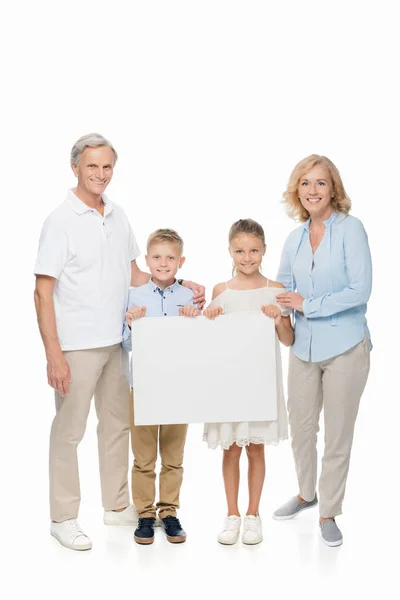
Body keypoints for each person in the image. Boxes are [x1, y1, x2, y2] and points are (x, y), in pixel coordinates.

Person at [34, 134, 205, 551]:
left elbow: (136, 276)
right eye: (92, 166)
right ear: (75, 167)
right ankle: (64, 517)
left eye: (107, 166)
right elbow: (42, 290)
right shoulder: (60, 220)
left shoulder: (118, 214)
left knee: (117, 427)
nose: (100, 174)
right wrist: (53, 353)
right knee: (69, 432)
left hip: (118, 342)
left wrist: (182, 285)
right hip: (76, 343)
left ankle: (115, 506)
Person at [273, 154, 372, 547]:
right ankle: (306, 493)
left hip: (346, 345)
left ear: (334, 189)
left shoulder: (351, 229)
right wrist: (279, 311)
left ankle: (329, 510)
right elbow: (282, 288)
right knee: (300, 427)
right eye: (305, 183)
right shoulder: (293, 238)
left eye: (321, 183)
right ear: (296, 191)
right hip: (302, 347)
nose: (312, 190)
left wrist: (306, 306)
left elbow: (360, 291)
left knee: (337, 434)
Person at [202, 219, 293, 545]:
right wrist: (210, 318)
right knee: (230, 449)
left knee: (255, 448)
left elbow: (287, 340)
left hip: (261, 381)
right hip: (229, 382)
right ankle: (232, 515)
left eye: (254, 250)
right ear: (230, 251)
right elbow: (210, 342)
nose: (247, 257)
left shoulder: (277, 290)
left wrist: (279, 318)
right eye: (240, 251)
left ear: (264, 250)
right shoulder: (221, 292)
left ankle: (253, 515)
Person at [122, 228, 200, 545]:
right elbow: (126, 344)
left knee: (173, 456)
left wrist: (197, 320)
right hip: (142, 386)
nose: (163, 263)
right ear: (146, 259)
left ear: (180, 262)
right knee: (143, 458)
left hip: (177, 387)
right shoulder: (135, 296)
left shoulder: (189, 296)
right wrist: (130, 323)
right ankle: (144, 514)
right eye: (156, 257)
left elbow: (200, 345)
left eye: (170, 258)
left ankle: (169, 511)